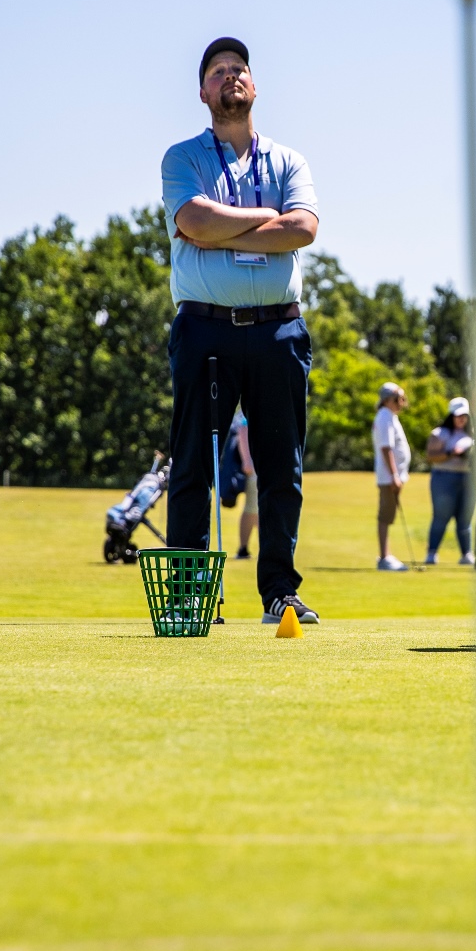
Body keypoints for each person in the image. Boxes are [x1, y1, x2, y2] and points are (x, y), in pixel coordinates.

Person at [160, 37, 321, 625]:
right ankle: (186, 596)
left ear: (254, 87)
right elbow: (194, 220)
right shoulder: (182, 158)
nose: (230, 77)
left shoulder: (289, 161)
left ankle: (280, 590)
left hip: (279, 331)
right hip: (205, 329)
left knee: (283, 467)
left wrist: (224, 231)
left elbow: (302, 228)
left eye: (240, 70)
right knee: (192, 466)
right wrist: (262, 220)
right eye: (218, 71)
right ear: (203, 92)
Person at [425, 397, 475, 565]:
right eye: (458, 415)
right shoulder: (439, 434)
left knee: (465, 519)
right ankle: (432, 553)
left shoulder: (472, 434)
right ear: (451, 415)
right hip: (444, 478)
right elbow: (431, 457)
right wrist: (451, 453)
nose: (461, 419)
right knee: (441, 516)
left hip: (468, 479)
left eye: (464, 415)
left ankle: (466, 554)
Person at [372, 382, 411, 571]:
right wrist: (395, 475)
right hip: (389, 476)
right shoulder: (384, 417)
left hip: (393, 476)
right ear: (388, 400)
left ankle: (386, 555)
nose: (402, 402)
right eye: (398, 398)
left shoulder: (390, 416)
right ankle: (384, 557)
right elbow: (386, 448)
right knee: (385, 515)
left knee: (388, 514)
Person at [221, 409, 257, 559]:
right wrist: (247, 460)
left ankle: (244, 549)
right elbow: (243, 429)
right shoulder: (249, 407)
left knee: (252, 510)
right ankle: (249, 549)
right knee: (256, 508)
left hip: (256, 464)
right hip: (254, 465)